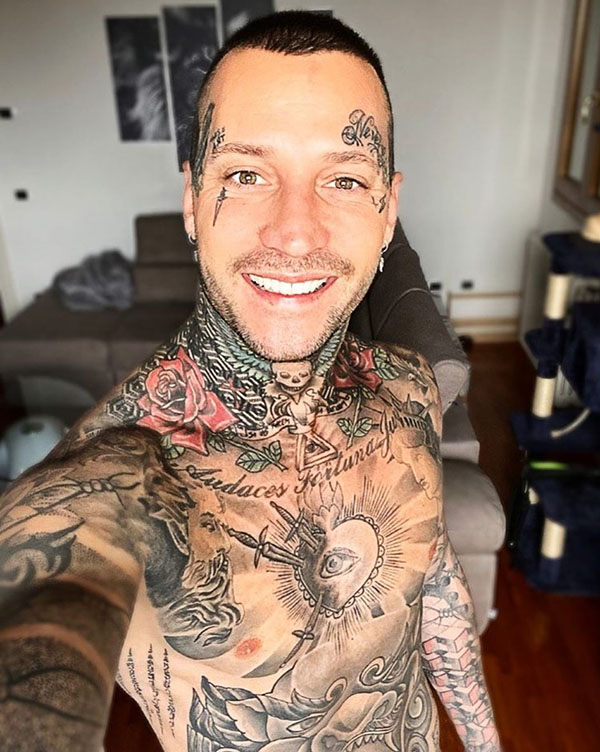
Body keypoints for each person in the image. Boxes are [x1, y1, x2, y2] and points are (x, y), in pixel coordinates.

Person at [0, 11, 500, 752]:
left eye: (343, 179)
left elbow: (434, 581)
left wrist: (487, 742)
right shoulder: (116, 481)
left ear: (387, 209)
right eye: (245, 174)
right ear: (192, 199)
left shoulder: (411, 390)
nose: (294, 232)